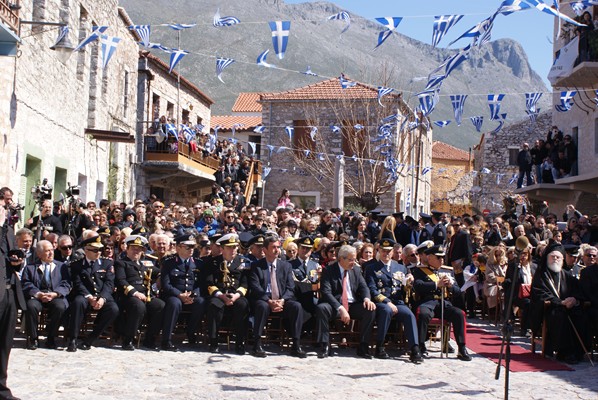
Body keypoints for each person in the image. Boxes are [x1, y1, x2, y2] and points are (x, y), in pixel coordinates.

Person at [365, 239, 423, 363]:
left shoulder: (401, 267)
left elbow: (404, 289)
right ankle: (380, 346)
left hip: (397, 301)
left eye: (389, 251)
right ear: (379, 251)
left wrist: (409, 282)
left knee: (409, 314)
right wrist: (387, 302)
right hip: (381, 302)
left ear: (392, 252)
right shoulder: (371, 268)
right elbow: (372, 290)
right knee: (386, 311)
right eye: (383, 251)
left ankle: (415, 348)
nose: (386, 254)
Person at [248, 236, 306, 358]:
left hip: (282, 300)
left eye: (278, 247)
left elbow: (291, 287)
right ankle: (257, 344)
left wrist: (282, 300)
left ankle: (296, 344)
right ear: (264, 250)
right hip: (265, 300)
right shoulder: (256, 266)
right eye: (273, 247)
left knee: (297, 306)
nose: (277, 250)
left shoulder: (286, 266)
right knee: (261, 306)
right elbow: (255, 287)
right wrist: (269, 301)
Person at [315, 244, 376, 359]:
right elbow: (326, 292)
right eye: (351, 260)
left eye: (355, 259)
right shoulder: (329, 270)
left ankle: (363, 346)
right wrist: (340, 308)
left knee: (370, 309)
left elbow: (364, 287)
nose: (354, 262)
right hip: (335, 305)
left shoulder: (356, 270)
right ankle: (325, 345)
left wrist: (367, 299)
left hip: (352, 304)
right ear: (341, 259)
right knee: (322, 308)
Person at [412, 245, 471, 361]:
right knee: (423, 314)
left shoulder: (447, 271)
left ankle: (462, 347)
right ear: (429, 257)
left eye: (443, 258)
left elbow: (458, 292)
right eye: (438, 258)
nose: (441, 260)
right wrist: (436, 284)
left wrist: (450, 286)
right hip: (427, 302)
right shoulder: (419, 271)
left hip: (444, 303)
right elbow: (418, 286)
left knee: (459, 314)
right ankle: (420, 346)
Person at [531, 243, 587, 363]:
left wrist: (574, 300)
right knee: (559, 315)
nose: (555, 259)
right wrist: (560, 302)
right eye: (552, 257)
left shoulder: (567, 275)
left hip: (568, 307)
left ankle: (578, 352)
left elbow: (578, 291)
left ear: (562, 259)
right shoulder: (541, 275)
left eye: (558, 257)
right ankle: (565, 352)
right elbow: (539, 293)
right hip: (550, 308)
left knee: (581, 316)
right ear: (547, 258)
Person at [67, 235, 119, 352]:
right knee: (78, 303)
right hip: (85, 295)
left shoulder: (107, 263)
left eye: (100, 249)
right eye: (95, 250)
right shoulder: (77, 265)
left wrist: (103, 298)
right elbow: (78, 283)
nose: (98, 252)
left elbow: (109, 283)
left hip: (102, 295)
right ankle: (73, 339)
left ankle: (90, 339)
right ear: (86, 250)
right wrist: (89, 297)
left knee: (113, 309)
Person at [114, 235, 165, 350]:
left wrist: (159, 277)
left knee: (160, 305)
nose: (136, 251)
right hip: (128, 296)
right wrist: (135, 293)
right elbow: (121, 281)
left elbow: (159, 272)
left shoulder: (144, 264)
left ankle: (149, 339)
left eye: (139, 249)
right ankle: (128, 340)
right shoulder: (121, 263)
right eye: (133, 248)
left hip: (145, 295)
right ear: (127, 249)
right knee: (139, 306)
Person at [21, 240, 71, 350]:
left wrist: (55, 293)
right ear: (39, 254)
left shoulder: (61, 266)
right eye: (47, 251)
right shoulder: (30, 267)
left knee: (60, 307)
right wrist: (38, 294)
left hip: (55, 295)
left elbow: (66, 283)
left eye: (52, 250)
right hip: (37, 296)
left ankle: (51, 337)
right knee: (31, 306)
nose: (51, 253)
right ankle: (33, 338)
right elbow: (26, 283)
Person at [205, 233, 250, 355]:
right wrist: (221, 296)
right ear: (222, 248)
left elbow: (245, 284)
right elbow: (209, 283)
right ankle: (213, 342)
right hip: (219, 294)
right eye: (230, 247)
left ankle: (240, 342)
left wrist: (236, 296)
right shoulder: (213, 262)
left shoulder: (243, 262)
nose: (233, 250)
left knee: (243, 305)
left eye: (235, 247)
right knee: (214, 305)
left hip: (236, 295)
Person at [160, 234, 206, 351]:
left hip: (191, 295)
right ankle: (166, 339)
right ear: (178, 247)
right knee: (174, 304)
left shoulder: (199, 263)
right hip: (174, 295)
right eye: (188, 247)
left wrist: (193, 294)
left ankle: (191, 332)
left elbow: (201, 284)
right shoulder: (169, 263)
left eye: (193, 247)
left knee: (201, 302)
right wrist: (179, 295)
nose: (191, 249)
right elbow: (166, 284)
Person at [0, 187, 25, 400]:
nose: (6, 206)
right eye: (3, 202)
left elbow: (8, 257)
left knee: (4, 344)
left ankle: (1, 388)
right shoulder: (3, 228)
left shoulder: (8, 229)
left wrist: (17, 262)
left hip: (9, 291)